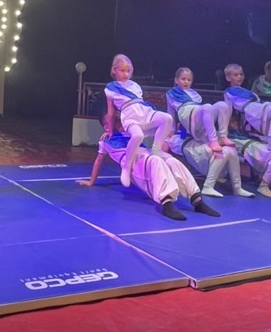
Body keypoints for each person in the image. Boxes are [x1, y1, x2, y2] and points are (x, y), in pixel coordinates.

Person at [77, 117, 220, 220]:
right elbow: (98, 161)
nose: (119, 121)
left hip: (145, 152)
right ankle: (167, 204)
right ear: (106, 126)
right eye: (114, 121)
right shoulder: (105, 141)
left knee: (172, 161)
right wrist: (91, 181)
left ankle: (197, 200)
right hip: (132, 162)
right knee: (155, 161)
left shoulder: (132, 130)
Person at [104, 54, 173, 188]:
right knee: (137, 136)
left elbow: (141, 103)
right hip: (129, 116)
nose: (126, 74)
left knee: (167, 118)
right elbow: (110, 112)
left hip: (144, 113)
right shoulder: (110, 88)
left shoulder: (135, 86)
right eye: (122, 70)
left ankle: (156, 150)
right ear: (114, 70)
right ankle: (126, 166)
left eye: (128, 71)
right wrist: (110, 130)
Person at [223, 63, 271, 150]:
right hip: (251, 108)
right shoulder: (228, 92)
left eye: (241, 74)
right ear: (228, 78)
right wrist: (225, 130)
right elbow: (227, 110)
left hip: (259, 105)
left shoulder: (247, 91)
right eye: (236, 75)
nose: (240, 77)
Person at [166, 67, 235, 154]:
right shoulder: (172, 93)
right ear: (176, 80)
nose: (186, 82)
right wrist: (171, 128)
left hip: (197, 111)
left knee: (222, 105)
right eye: (183, 79)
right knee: (207, 107)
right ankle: (213, 140)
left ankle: (223, 136)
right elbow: (171, 112)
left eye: (189, 80)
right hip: (186, 113)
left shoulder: (194, 94)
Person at [165, 131, 255, 198]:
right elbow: (163, 153)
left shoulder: (185, 130)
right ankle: (207, 186)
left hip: (202, 147)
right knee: (223, 153)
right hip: (194, 153)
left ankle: (237, 188)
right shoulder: (169, 139)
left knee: (231, 149)